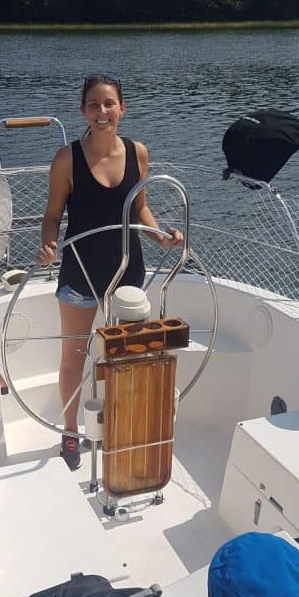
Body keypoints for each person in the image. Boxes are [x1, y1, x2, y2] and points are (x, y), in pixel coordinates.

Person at [37, 74, 183, 470]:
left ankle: (122, 424)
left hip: (127, 274)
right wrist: (48, 245)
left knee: (126, 356)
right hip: (80, 274)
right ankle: (70, 433)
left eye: (108, 104)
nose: (101, 112)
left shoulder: (138, 153)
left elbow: (140, 209)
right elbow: (51, 217)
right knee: (74, 357)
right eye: (93, 105)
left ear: (122, 108)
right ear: (83, 110)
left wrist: (161, 236)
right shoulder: (66, 159)